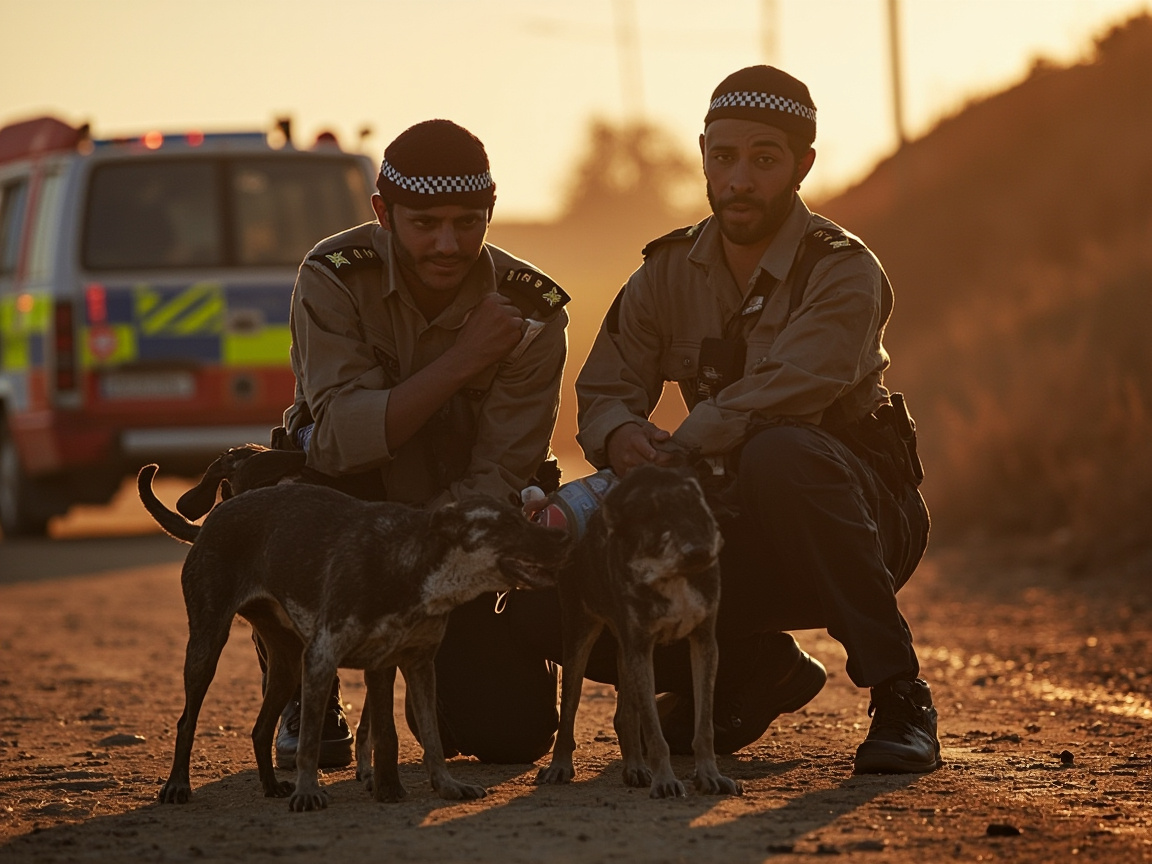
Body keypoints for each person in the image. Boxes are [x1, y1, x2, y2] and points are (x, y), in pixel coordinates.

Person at [572, 65, 938, 774]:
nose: (740, 180)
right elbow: (605, 387)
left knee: (781, 453)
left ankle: (901, 694)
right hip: (729, 516)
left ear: (802, 165)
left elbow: (792, 389)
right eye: (725, 157)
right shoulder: (665, 271)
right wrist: (622, 436)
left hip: (854, 515)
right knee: (572, 582)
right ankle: (754, 668)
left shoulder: (842, 269)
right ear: (703, 154)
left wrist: (683, 444)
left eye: (764, 160)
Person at [270, 119, 569, 768]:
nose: (447, 244)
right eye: (425, 223)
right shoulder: (334, 276)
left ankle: (443, 672)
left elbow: (500, 473)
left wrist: (421, 562)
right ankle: (302, 685)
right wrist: (463, 360)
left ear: (491, 211)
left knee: (510, 737)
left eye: (467, 223)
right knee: (276, 496)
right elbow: (340, 444)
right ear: (383, 213)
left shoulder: (533, 310)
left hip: (454, 528)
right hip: (347, 509)